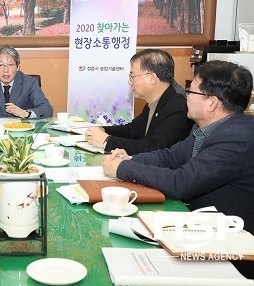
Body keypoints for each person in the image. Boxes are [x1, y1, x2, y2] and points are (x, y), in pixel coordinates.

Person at [103, 60, 254, 232]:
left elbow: (181, 183)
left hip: (229, 238)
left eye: (190, 91)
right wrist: (129, 159)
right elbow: (170, 157)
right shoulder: (206, 127)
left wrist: (123, 168)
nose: (186, 96)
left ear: (212, 103)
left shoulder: (236, 138)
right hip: (201, 222)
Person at [85, 49, 194, 155]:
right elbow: (131, 130)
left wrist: (107, 141)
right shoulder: (154, 103)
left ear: (152, 78)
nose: (129, 82)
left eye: (132, 76)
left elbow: (154, 147)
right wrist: (103, 130)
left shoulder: (177, 108)